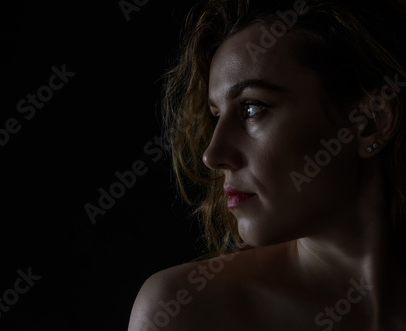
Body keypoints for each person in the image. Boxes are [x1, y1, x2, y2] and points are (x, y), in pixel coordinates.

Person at [128, 0, 406, 330]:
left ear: (370, 121)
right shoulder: (184, 310)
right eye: (217, 116)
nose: (212, 154)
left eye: (251, 108)